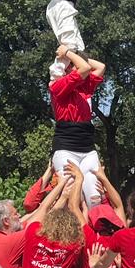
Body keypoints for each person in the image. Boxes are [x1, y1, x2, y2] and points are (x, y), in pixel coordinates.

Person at [49, 45, 105, 207]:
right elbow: (86, 67)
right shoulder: (57, 86)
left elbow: (100, 66)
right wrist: (66, 53)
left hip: (87, 147)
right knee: (72, 196)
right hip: (66, 147)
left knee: (95, 198)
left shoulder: (84, 87)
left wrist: (73, 49)